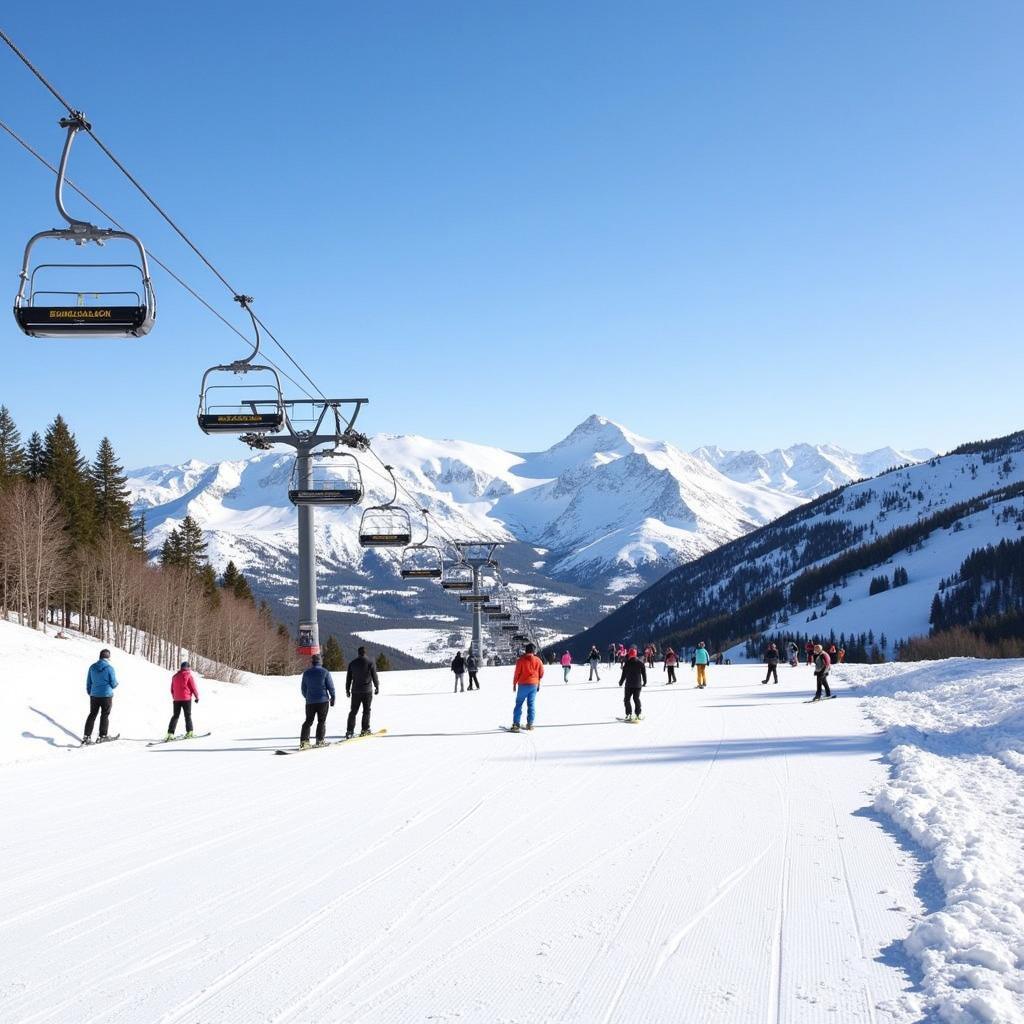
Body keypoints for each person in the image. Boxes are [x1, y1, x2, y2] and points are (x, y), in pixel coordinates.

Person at [299, 654, 336, 748]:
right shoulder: (325, 672)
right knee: (321, 721)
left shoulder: (306, 673)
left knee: (308, 721)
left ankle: (304, 742)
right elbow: (330, 687)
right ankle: (320, 740)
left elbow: (303, 689)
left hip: (310, 702)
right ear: (320, 661)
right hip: (323, 701)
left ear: (312, 662)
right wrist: (333, 697)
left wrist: (308, 697)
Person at [83, 648, 118, 744]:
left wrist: (90, 692)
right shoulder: (109, 668)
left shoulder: (92, 667)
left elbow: (88, 682)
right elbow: (114, 683)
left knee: (92, 714)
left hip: (94, 695)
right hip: (106, 695)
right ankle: (102, 736)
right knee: (104, 715)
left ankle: (86, 737)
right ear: (108, 658)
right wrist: (115, 684)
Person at [345, 645, 380, 737]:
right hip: (367, 690)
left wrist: (347, 690)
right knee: (366, 710)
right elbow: (374, 676)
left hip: (355, 691)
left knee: (353, 711)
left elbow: (348, 678)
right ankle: (365, 730)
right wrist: (377, 687)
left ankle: (349, 731)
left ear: (358, 653)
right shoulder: (370, 662)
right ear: (365, 653)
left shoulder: (352, 663)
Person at [510, 642, 544, 732]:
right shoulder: (538, 660)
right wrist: (538, 681)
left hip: (523, 685)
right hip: (534, 685)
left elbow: (517, 673)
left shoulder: (521, 660)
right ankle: (530, 724)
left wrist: (514, 684)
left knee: (519, 704)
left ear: (526, 651)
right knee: (531, 704)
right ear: (534, 651)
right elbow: (541, 673)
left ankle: (516, 724)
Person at [166, 660, 200, 740]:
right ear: (187, 668)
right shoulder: (188, 675)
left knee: (175, 716)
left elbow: (172, 689)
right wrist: (197, 697)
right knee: (187, 716)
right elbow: (193, 687)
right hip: (186, 699)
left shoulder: (174, 676)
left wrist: (175, 697)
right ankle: (189, 732)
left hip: (176, 699)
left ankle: (170, 734)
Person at [618, 647, 647, 721]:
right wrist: (645, 681)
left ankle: (629, 714)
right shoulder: (640, 663)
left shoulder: (627, 663)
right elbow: (644, 673)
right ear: (635, 654)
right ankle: (638, 714)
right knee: (636, 699)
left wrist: (621, 682)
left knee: (627, 699)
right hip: (637, 685)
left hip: (629, 685)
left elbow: (623, 674)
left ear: (629, 654)